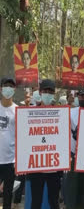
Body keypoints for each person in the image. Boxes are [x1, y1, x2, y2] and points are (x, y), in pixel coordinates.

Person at [27, 79, 62, 209]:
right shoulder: (30, 113)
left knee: (54, 201)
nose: (48, 93)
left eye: (50, 91)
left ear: (54, 94)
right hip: (36, 167)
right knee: (36, 201)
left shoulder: (60, 114)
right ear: (40, 92)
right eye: (45, 91)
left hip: (54, 167)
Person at [64, 88, 84, 209]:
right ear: (77, 97)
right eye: (81, 96)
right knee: (72, 185)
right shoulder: (70, 112)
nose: (83, 98)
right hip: (73, 154)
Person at [0, 78, 17, 209]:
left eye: (11, 86)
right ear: (1, 88)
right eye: (6, 85)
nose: (8, 88)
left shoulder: (18, 110)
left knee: (7, 196)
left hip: (10, 161)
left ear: (14, 90)